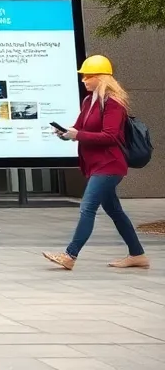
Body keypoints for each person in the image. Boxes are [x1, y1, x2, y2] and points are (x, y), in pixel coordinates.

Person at [44, 55, 148, 270]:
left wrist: (77, 135)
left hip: (109, 165)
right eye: (83, 76)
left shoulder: (113, 103)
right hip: (95, 165)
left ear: (101, 78)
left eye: (88, 76)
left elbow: (110, 136)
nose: (84, 80)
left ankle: (69, 255)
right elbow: (79, 128)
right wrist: (65, 133)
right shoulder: (88, 101)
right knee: (115, 211)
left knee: (87, 207)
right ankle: (137, 254)